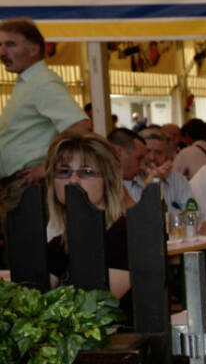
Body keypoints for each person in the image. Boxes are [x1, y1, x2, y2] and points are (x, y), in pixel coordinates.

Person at [0, 17, 89, 236]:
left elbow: (80, 125)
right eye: (0, 45)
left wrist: (46, 166)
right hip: (18, 188)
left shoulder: (42, 82)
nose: (2, 51)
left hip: (28, 188)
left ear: (34, 50)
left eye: (10, 44)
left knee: (28, 262)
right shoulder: (28, 83)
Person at [40, 132, 131, 303]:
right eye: (64, 171)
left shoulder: (124, 235)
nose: (73, 180)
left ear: (108, 180)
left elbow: (95, 306)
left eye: (86, 172)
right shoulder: (59, 245)